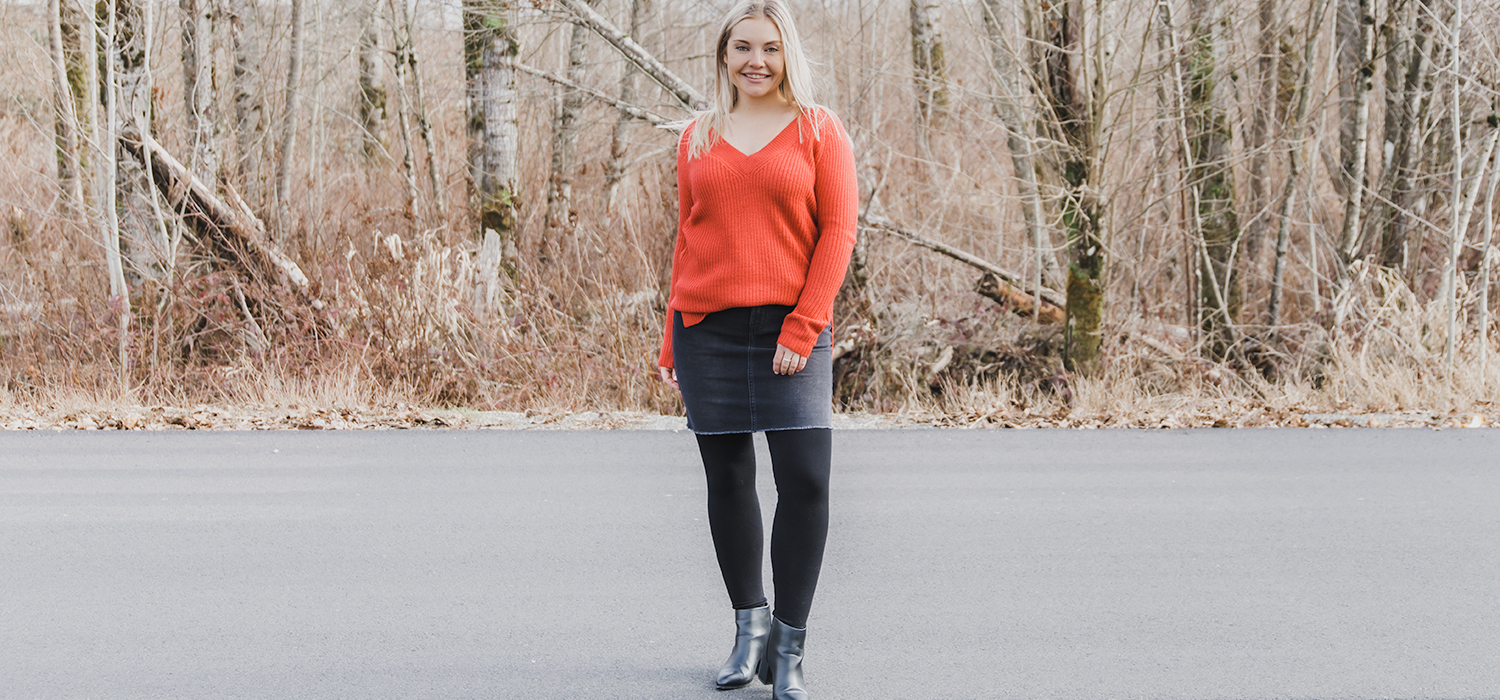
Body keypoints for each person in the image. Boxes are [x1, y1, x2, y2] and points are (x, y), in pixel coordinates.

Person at [655, 1, 857, 698]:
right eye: (742, 48)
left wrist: (803, 328)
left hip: (790, 329)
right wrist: (670, 338)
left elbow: (838, 233)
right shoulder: (697, 136)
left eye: (769, 48)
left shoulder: (818, 130)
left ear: (787, 54)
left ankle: (790, 653)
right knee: (729, 480)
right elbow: (687, 237)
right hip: (705, 329)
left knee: (805, 480)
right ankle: (750, 630)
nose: (756, 61)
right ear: (724, 57)